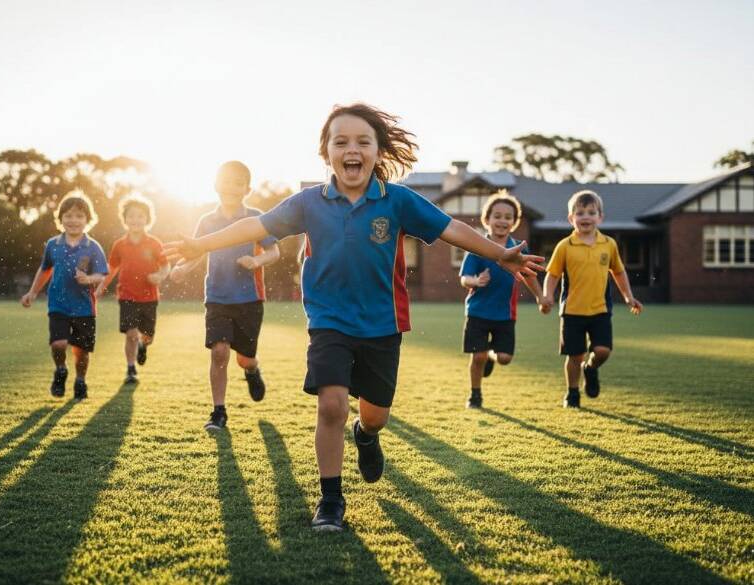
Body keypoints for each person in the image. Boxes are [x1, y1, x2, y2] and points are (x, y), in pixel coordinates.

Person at [166, 104, 543, 531]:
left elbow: (449, 228)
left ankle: (367, 435)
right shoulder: (309, 203)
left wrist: (499, 254)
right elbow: (256, 228)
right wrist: (203, 245)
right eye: (340, 141)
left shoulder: (397, 200)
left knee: (375, 414)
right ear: (326, 153)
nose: (352, 149)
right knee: (331, 406)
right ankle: (330, 501)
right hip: (328, 322)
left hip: (383, 324)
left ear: (378, 151)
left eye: (363, 141)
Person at [170, 161, 280, 431]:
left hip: (249, 299)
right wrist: (183, 268)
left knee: (245, 358)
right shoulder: (207, 221)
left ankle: (252, 371)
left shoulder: (256, 218)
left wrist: (257, 261)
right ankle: (218, 412)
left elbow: (275, 252)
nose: (231, 187)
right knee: (219, 352)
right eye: (226, 181)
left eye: (238, 183)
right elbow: (196, 251)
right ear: (216, 185)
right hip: (217, 297)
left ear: (247, 188)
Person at [542, 189, 643, 408]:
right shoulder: (564, 246)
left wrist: (628, 297)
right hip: (572, 311)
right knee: (575, 356)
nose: (585, 217)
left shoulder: (608, 244)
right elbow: (552, 275)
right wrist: (547, 296)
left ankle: (591, 368)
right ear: (571, 218)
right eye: (579, 213)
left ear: (600, 217)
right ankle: (572, 393)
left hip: (600, 310)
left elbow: (618, 272)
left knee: (603, 351)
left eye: (591, 212)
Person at [459, 190, 547, 409]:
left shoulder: (518, 249)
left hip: (505, 314)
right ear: (487, 220)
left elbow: (528, 276)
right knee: (477, 357)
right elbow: (464, 278)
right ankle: (475, 395)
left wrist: (540, 297)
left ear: (514, 222)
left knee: (505, 358)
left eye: (508, 217)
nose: (502, 221)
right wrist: (475, 281)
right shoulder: (477, 247)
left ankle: (491, 355)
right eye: (497, 216)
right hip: (477, 311)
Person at [21, 191, 108, 400]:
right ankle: (60, 370)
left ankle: (80, 381)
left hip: (84, 307)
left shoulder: (93, 247)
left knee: (81, 351)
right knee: (58, 344)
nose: (73, 220)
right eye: (68, 216)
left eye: (79, 216)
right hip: (58, 304)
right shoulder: (53, 244)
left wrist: (89, 279)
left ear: (88, 219)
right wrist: (33, 292)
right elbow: (45, 269)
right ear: (60, 219)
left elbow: (102, 275)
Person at [97, 194, 169, 384]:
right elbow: (111, 268)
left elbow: (165, 266)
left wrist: (160, 276)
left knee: (148, 336)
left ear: (147, 219)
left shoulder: (154, 243)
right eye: (131, 216)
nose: (136, 220)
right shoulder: (119, 245)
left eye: (140, 216)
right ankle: (131, 369)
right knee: (130, 334)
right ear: (125, 219)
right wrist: (101, 287)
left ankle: (143, 346)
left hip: (149, 297)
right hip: (127, 295)